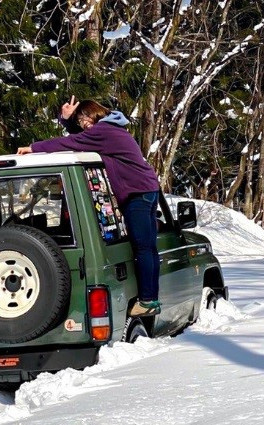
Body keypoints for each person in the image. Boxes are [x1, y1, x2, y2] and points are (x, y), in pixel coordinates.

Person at [17, 97, 163, 317]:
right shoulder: (111, 128)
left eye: (85, 116)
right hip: (146, 189)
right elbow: (81, 138)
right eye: (80, 118)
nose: (83, 122)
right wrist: (67, 121)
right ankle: (150, 299)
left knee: (144, 248)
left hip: (137, 193)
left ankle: (148, 300)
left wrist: (34, 148)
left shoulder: (104, 131)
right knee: (149, 248)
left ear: (96, 113)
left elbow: (70, 143)